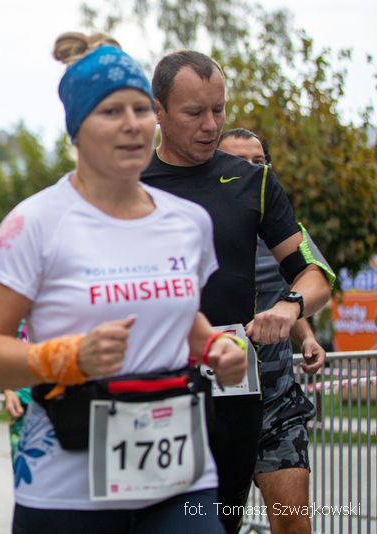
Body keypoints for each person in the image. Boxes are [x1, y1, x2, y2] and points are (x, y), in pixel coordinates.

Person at [0, 33, 247, 534]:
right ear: (77, 128)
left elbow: (181, 320)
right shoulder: (34, 224)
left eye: (140, 109)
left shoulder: (188, 222)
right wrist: (69, 357)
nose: (131, 124)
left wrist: (215, 347)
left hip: (179, 479)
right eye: (111, 112)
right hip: (66, 488)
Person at [140, 51, 334, 532]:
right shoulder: (128, 182)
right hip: (148, 393)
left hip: (233, 392)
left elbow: (314, 274)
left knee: (220, 522)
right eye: (194, 112)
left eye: (219, 109)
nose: (210, 125)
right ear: (158, 110)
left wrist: (290, 308)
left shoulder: (255, 182)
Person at [218, 128, 329, 534]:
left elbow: (300, 288)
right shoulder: (193, 224)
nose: (252, 170)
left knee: (294, 524)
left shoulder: (282, 228)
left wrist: (307, 337)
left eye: (259, 162)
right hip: (216, 405)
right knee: (215, 525)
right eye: (239, 163)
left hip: (277, 403)